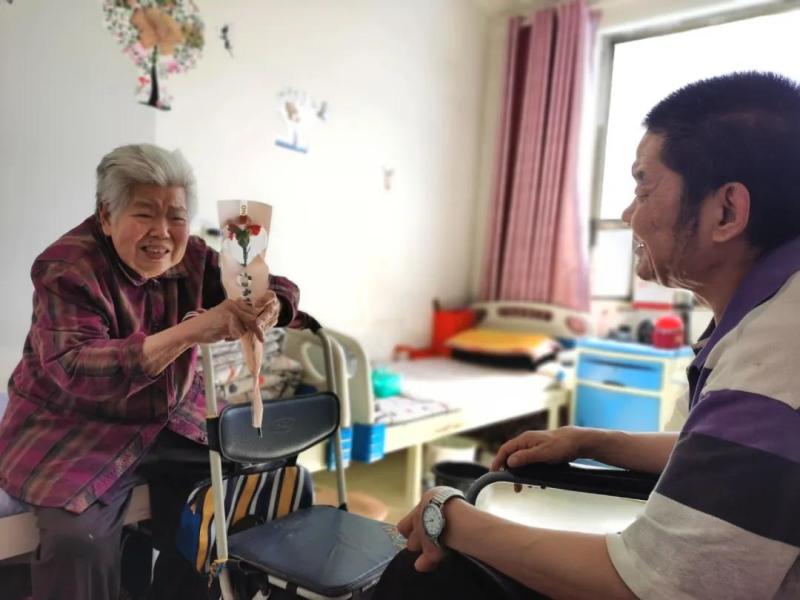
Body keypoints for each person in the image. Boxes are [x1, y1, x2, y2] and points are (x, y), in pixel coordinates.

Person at [375, 71, 800, 599]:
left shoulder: (781, 346)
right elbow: (727, 457)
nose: (627, 215)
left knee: (425, 574)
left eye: (643, 188)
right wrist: (594, 441)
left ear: (727, 211)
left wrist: (450, 517)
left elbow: (657, 585)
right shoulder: (774, 316)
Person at [0, 144, 306, 599]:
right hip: (75, 426)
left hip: (167, 416)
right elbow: (76, 367)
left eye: (175, 217)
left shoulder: (193, 257)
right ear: (106, 216)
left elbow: (271, 285)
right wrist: (188, 333)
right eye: (144, 214)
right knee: (79, 542)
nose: (162, 232)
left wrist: (273, 301)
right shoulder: (66, 268)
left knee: (247, 487)